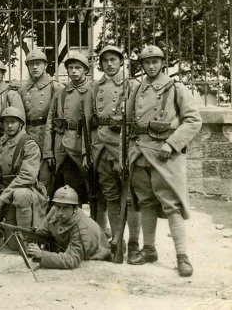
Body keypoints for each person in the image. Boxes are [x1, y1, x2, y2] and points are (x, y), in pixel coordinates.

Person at [127, 45, 202, 277]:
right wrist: (131, 149)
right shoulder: (137, 89)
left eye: (155, 61)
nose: (151, 66)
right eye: (146, 62)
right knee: (146, 201)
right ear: (142, 65)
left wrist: (172, 143)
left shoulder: (176, 88)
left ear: (163, 63)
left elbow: (192, 120)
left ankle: (182, 256)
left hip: (165, 154)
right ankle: (149, 249)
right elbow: (130, 123)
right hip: (140, 154)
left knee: (171, 205)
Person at [91, 45, 142, 262]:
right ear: (100, 64)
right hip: (101, 147)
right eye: (105, 61)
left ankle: (133, 245)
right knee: (111, 196)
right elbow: (91, 119)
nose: (109, 64)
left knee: (130, 198)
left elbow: (137, 119)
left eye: (114, 60)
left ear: (121, 62)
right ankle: (116, 242)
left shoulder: (132, 86)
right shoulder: (96, 86)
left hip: (123, 147)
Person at [43, 52, 106, 227]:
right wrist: (48, 152)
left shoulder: (95, 90)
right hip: (63, 150)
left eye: (78, 67)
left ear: (86, 69)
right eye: (70, 67)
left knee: (94, 193)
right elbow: (50, 123)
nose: (74, 71)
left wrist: (91, 151)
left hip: (86, 149)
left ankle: (96, 231)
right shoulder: (61, 93)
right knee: (64, 193)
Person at [0, 107, 48, 242]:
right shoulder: (2, 141)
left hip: (26, 190)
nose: (9, 125)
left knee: (21, 194)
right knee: (11, 243)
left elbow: (27, 176)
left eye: (13, 122)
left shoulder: (29, 144)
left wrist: (2, 198)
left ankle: (27, 238)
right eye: (6, 122)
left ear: (21, 124)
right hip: (5, 189)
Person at [26, 185, 111, 269]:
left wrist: (42, 254)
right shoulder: (55, 210)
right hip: (67, 247)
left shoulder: (80, 229)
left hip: (94, 254)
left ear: (75, 208)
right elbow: (41, 232)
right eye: (58, 207)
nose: (60, 212)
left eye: (65, 208)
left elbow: (72, 260)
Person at [19, 49, 63, 194]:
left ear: (45, 65)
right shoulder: (23, 90)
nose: (35, 67)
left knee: (46, 178)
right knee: (29, 175)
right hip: (29, 135)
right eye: (31, 64)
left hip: (47, 135)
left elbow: (59, 117)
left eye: (38, 64)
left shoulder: (55, 87)